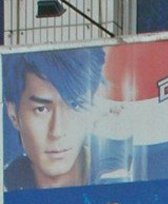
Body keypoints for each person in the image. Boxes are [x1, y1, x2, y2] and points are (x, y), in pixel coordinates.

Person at [3, 47, 105, 189]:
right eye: (41, 109)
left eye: (75, 106)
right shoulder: (5, 195)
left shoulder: (120, 180)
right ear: (13, 114)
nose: (57, 131)